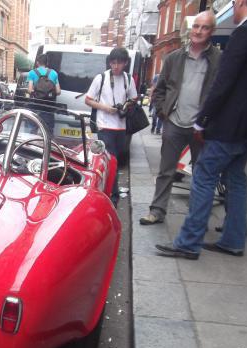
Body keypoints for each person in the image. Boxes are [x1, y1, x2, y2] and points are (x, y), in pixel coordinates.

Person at [156, 0, 247, 259]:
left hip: (227, 126)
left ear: (240, 2)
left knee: (203, 177)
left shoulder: (244, 32)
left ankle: (189, 242)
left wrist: (203, 119)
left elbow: (223, 84)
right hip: (246, 129)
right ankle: (233, 239)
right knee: (236, 179)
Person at [140, 11, 221, 225]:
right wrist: (162, 112)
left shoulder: (218, 60)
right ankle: (157, 210)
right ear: (190, 29)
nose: (198, 31)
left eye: (204, 28)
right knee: (166, 170)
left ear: (211, 32)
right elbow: (160, 90)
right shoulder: (174, 57)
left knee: (202, 175)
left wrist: (209, 121)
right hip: (174, 121)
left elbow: (220, 93)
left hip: (201, 127)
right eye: (196, 26)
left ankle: (196, 218)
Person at [85, 47, 138, 206]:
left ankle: (106, 193)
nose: (116, 66)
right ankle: (112, 197)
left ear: (125, 63)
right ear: (109, 62)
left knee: (114, 162)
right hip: (104, 126)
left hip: (121, 127)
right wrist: (105, 108)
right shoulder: (101, 78)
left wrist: (126, 105)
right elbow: (88, 100)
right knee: (111, 160)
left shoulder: (128, 79)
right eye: (113, 62)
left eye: (119, 63)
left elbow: (134, 98)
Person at [27, 54, 60, 133]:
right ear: (47, 63)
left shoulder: (32, 73)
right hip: (49, 107)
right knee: (48, 131)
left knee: (33, 129)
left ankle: (31, 143)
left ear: (37, 63)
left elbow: (29, 90)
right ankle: (48, 144)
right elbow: (58, 91)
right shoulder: (54, 73)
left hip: (36, 105)